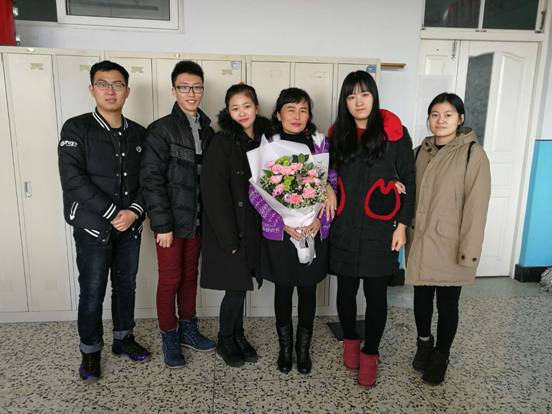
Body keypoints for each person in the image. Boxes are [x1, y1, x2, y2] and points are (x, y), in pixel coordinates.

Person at [58, 60, 150, 382]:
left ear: (127, 91)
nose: (110, 91)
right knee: (93, 289)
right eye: (103, 84)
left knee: (126, 286)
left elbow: (149, 180)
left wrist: (134, 211)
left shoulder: (139, 133)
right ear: (92, 89)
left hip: (129, 227)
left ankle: (123, 338)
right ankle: (90, 352)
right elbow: (73, 180)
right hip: (92, 227)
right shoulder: (76, 128)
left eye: (117, 85)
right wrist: (113, 214)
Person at [329, 71, 416, 387]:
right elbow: (327, 175)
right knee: (345, 292)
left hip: (380, 229)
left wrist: (402, 225)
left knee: (376, 295)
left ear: (374, 96)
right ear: (345, 102)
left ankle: (371, 353)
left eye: (364, 94)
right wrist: (326, 189)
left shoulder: (394, 133)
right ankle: (350, 342)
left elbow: (409, 179)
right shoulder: (338, 135)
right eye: (351, 96)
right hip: (345, 227)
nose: (358, 102)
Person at [249, 87, 336, 375]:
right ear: (278, 114)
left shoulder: (320, 143)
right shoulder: (268, 145)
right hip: (282, 232)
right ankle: (285, 348)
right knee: (284, 289)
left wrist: (320, 220)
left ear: (309, 114)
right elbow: (255, 191)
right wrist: (281, 223)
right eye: (290, 109)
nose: (297, 116)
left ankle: (303, 349)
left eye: (303, 110)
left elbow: (332, 180)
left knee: (308, 290)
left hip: (313, 229)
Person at [405, 92, 491, 385]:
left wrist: (469, 251)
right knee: (421, 297)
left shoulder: (472, 154)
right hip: (421, 239)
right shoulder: (420, 151)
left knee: (447, 303)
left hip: (451, 243)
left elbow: (476, 207)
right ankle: (423, 344)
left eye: (448, 115)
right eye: (435, 115)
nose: (440, 120)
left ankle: (441, 356)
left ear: (460, 118)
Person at [140, 60, 216, 369]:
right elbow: (151, 181)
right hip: (170, 225)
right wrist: (162, 225)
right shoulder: (161, 130)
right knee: (170, 279)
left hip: (196, 222)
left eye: (197, 87)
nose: (191, 93)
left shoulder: (208, 130)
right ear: (174, 91)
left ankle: (188, 329)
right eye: (184, 87)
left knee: (189, 277)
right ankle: (169, 336)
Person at [200, 84, 272, 367]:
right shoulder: (222, 142)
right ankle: (225, 339)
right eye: (235, 108)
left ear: (256, 108)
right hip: (230, 229)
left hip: (255, 226)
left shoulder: (266, 140)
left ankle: (238, 335)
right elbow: (213, 194)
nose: (242, 113)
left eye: (247, 106)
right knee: (235, 288)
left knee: (242, 284)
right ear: (228, 112)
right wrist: (228, 239)